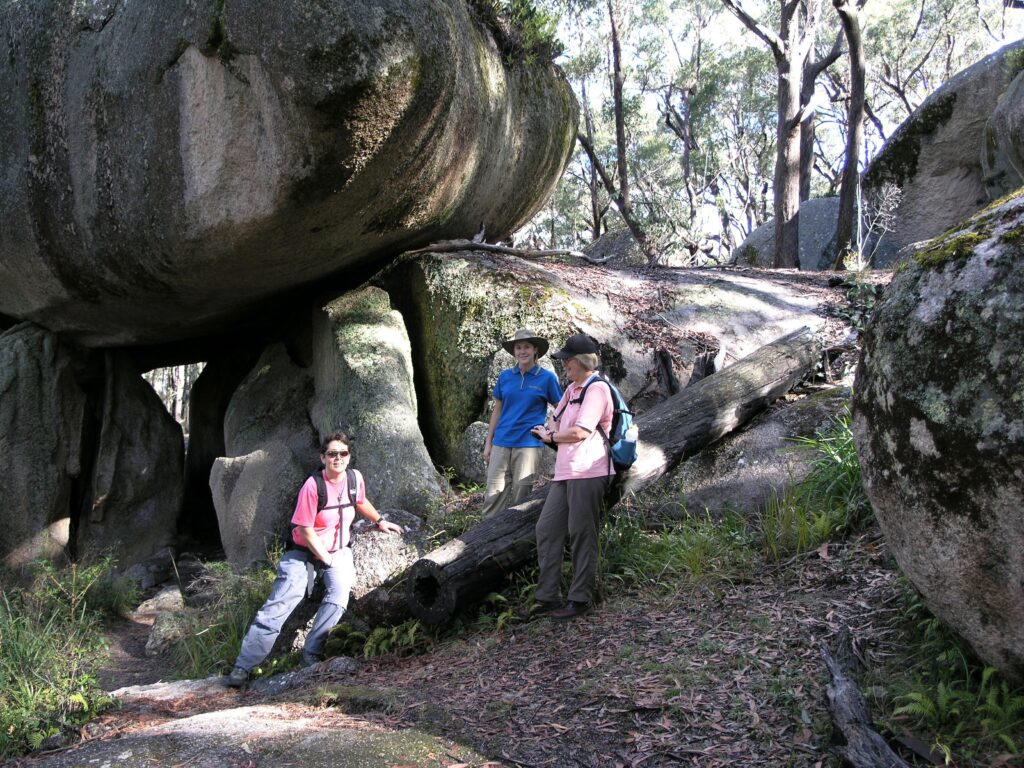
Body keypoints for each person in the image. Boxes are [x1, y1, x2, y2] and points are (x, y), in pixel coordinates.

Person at [226, 431, 403, 687]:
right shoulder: (313, 486)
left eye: (343, 454)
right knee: (283, 601)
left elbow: (360, 501)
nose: (338, 458)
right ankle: (243, 667)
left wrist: (380, 521)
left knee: (339, 596)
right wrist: (325, 559)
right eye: (332, 454)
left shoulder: (354, 479)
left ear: (349, 456)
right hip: (304, 553)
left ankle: (311, 652)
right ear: (323, 457)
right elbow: (305, 530)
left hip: (339, 549)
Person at [528, 334, 615, 621]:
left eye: (568, 360)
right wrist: (550, 430)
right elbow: (555, 417)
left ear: (582, 361)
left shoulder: (597, 389)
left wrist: (552, 434)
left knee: (581, 532)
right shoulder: (572, 390)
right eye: (564, 360)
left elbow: (581, 431)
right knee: (547, 528)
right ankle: (548, 597)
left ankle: (580, 599)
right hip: (565, 472)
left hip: (589, 470)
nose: (564, 364)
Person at [480, 329, 562, 518]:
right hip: (501, 442)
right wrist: (488, 442)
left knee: (521, 498)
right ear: (514, 351)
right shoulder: (505, 377)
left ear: (535, 350)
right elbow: (497, 410)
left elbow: (561, 408)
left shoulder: (547, 378)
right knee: (493, 496)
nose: (522, 351)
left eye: (526, 347)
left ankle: (513, 543)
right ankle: (486, 542)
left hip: (529, 445)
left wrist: (552, 432)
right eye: (518, 347)